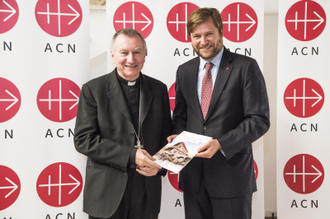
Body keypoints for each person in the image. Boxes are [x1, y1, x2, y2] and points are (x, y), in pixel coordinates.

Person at [168, 8, 270, 219]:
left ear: (221, 33)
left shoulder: (245, 67)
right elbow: (180, 117)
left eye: (209, 34)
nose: (203, 41)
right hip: (193, 178)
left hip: (231, 178)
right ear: (190, 39)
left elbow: (259, 120)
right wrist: (177, 137)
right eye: (197, 36)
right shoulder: (184, 70)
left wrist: (221, 143)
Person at [74, 28, 172, 219]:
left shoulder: (159, 89)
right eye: (124, 53)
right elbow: (83, 140)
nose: (131, 59)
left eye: (137, 52)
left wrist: (161, 166)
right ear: (112, 56)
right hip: (106, 193)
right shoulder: (93, 90)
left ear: (145, 54)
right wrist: (131, 155)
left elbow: (166, 136)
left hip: (145, 193)